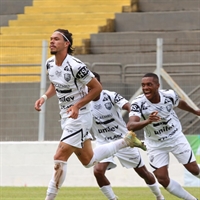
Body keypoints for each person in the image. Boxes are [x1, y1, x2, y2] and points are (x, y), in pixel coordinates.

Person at [34, 29, 146, 200]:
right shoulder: (49, 63)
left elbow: (97, 88)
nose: (52, 42)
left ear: (66, 44)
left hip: (80, 118)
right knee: (89, 161)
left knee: (59, 157)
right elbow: (55, 85)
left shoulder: (76, 66)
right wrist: (44, 97)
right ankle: (125, 141)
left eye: (56, 39)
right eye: (50, 39)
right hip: (66, 116)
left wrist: (78, 105)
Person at [90, 72, 165, 200]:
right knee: (98, 171)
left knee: (143, 173)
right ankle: (113, 199)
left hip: (125, 140)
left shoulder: (110, 96)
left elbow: (130, 107)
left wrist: (138, 119)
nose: (90, 87)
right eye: (88, 85)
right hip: (103, 142)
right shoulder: (83, 102)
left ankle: (159, 196)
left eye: (93, 84)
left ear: (100, 84)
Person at [127, 72, 200, 200]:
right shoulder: (138, 103)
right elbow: (131, 125)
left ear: (157, 85)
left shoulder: (169, 96)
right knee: (162, 178)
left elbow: (179, 103)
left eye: (149, 84)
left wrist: (195, 111)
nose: (145, 88)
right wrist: (147, 121)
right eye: (143, 85)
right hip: (156, 144)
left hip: (175, 137)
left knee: (194, 169)